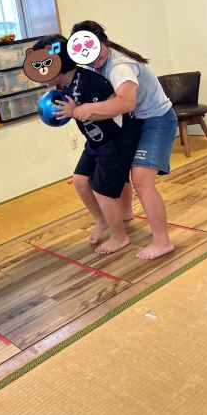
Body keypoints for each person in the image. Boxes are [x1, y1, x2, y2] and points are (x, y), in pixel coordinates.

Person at [57, 20, 178, 261]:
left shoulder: (120, 66)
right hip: (134, 122)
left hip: (157, 120)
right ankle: (125, 214)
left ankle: (162, 242)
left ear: (104, 42)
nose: (93, 60)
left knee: (142, 181)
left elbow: (125, 103)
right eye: (86, 56)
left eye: (96, 52)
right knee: (118, 169)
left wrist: (84, 110)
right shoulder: (93, 65)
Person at [31, 35, 141, 255]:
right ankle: (103, 219)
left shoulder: (89, 81)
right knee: (80, 181)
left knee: (102, 190)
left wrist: (77, 111)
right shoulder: (64, 86)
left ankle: (120, 237)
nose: (39, 75)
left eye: (43, 67)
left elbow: (117, 109)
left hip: (116, 140)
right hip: (95, 141)